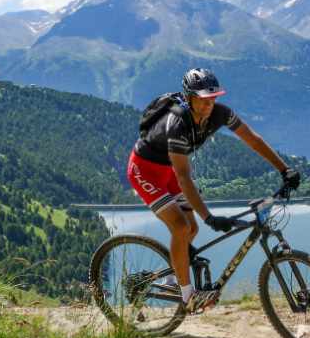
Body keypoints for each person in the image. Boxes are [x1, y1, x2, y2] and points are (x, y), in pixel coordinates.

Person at [127, 68, 301, 313]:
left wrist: (285, 169)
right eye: (203, 98)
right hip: (145, 171)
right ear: (189, 98)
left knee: (192, 229)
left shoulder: (221, 113)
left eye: (213, 97)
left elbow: (252, 139)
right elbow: (184, 177)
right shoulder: (177, 123)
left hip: (170, 171)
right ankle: (188, 297)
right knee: (180, 226)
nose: (210, 103)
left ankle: (172, 279)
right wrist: (209, 217)